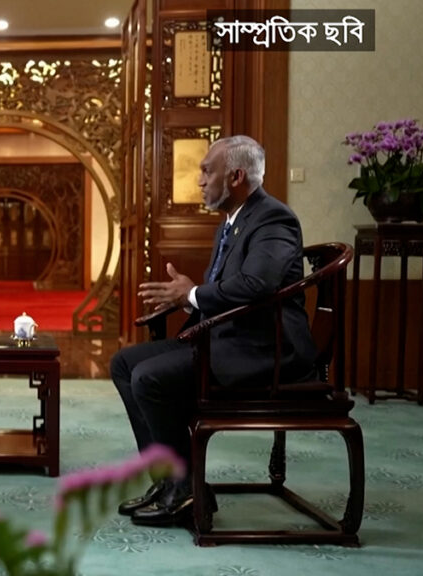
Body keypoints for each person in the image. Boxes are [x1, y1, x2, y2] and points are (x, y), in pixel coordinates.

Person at [109, 135, 315, 526]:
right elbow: (227, 292)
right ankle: (169, 483)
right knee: (124, 363)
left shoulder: (273, 218)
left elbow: (257, 285)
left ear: (235, 176)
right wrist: (188, 299)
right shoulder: (231, 224)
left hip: (264, 350)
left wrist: (193, 294)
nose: (200, 180)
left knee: (149, 377)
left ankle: (185, 491)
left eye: (207, 171)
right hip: (228, 338)